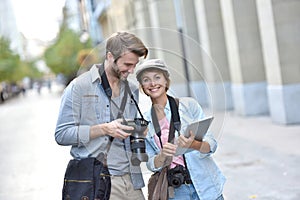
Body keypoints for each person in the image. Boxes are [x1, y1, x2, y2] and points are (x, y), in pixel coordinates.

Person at [55, 31, 148, 199]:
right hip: (97, 183)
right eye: (127, 64)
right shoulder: (79, 87)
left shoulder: (132, 89)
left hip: (132, 180)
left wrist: (139, 132)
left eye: (135, 65)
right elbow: (61, 135)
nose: (132, 70)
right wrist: (104, 129)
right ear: (110, 56)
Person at [135, 59, 226, 200]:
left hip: (205, 184)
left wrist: (193, 145)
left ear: (166, 81)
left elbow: (211, 145)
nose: (153, 83)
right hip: (176, 192)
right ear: (142, 86)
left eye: (157, 77)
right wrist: (162, 156)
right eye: (146, 80)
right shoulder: (145, 122)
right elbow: (150, 164)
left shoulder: (189, 106)